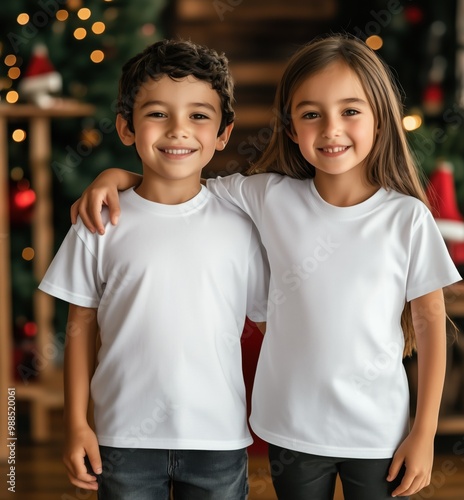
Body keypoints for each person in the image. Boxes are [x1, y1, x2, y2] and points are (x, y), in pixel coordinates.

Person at [71, 34, 462, 499]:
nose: (331, 129)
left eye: (350, 111)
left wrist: (425, 432)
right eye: (311, 114)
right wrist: (114, 178)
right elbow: (176, 185)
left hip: (381, 430)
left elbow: (432, 324)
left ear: (381, 120)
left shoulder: (407, 218)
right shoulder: (267, 195)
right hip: (290, 429)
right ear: (292, 127)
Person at [39, 39, 269, 500]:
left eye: (199, 116)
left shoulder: (242, 224)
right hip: (120, 441)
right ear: (126, 128)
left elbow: (271, 327)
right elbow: (79, 328)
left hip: (218, 439)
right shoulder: (99, 221)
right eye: (158, 114)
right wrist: (76, 426)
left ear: (223, 134)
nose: (178, 130)